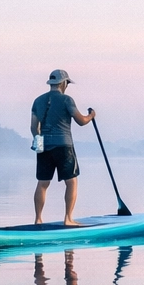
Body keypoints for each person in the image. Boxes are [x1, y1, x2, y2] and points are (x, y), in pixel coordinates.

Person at [30, 69, 95, 225]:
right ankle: (68, 219)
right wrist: (91, 116)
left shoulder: (38, 101)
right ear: (63, 83)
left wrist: (39, 143)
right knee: (71, 182)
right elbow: (81, 121)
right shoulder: (67, 100)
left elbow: (34, 127)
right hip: (64, 146)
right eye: (67, 83)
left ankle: (38, 219)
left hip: (44, 146)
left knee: (43, 183)